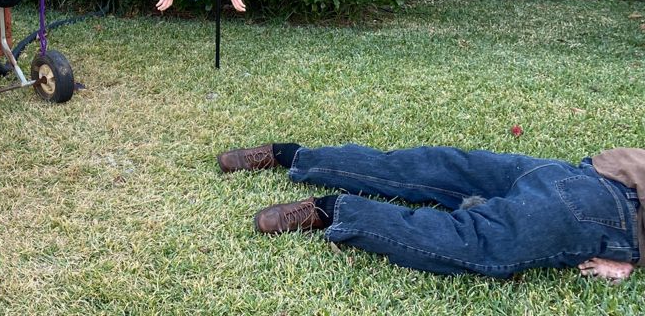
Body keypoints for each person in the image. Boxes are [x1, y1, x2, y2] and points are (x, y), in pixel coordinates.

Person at [216, 142, 645, 282]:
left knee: (434, 166)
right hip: (605, 211)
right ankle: (331, 211)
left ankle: (286, 154)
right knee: (474, 242)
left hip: (585, 172)